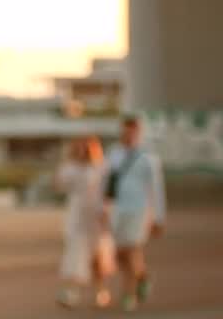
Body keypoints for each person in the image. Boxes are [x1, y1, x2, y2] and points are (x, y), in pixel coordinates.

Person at [103, 115, 166, 312]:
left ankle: (128, 295)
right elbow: (106, 184)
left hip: (139, 210)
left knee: (131, 250)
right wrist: (102, 208)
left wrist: (158, 217)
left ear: (139, 132)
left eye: (132, 130)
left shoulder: (148, 157)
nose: (128, 134)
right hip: (117, 210)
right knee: (120, 254)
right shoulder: (114, 154)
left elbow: (156, 189)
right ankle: (143, 277)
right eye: (125, 129)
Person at [53, 136, 114, 309]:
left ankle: (101, 291)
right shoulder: (70, 168)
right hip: (77, 215)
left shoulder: (103, 167)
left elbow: (109, 191)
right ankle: (71, 292)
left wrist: (107, 209)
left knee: (98, 258)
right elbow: (58, 185)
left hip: (97, 215)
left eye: (86, 148)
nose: (83, 151)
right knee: (75, 255)